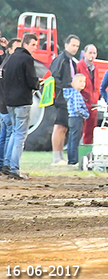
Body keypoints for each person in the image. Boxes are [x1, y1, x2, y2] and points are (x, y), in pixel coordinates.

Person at [2, 33, 40, 179]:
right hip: (22, 102)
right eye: (33, 45)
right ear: (25, 44)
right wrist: (37, 84)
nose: (35, 48)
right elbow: (31, 81)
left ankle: (7, 164)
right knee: (20, 135)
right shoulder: (27, 59)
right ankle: (14, 169)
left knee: (14, 133)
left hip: (9, 102)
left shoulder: (11, 58)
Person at [49, 34, 80, 166]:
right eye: (73, 45)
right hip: (62, 98)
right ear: (66, 45)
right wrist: (69, 87)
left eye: (77, 46)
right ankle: (56, 158)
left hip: (70, 98)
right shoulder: (60, 60)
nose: (75, 48)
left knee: (65, 128)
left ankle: (61, 156)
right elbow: (54, 78)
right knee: (60, 126)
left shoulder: (73, 62)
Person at [0, 38, 22, 175]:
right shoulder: (10, 66)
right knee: (10, 134)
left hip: (2, 104)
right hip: (6, 103)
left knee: (4, 134)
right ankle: (7, 164)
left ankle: (2, 163)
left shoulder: (4, 63)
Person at [63, 74, 90, 166]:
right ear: (73, 83)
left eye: (84, 81)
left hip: (71, 118)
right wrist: (86, 114)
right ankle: (73, 160)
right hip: (77, 118)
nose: (83, 83)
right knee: (75, 139)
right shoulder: (76, 94)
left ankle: (71, 159)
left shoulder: (70, 93)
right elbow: (77, 108)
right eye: (80, 81)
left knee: (72, 138)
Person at [77, 44, 100, 144]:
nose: (92, 55)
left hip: (93, 104)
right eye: (90, 53)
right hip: (83, 102)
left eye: (94, 53)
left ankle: (88, 149)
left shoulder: (95, 68)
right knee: (80, 129)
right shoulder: (79, 66)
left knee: (91, 130)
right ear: (85, 54)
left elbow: (97, 85)